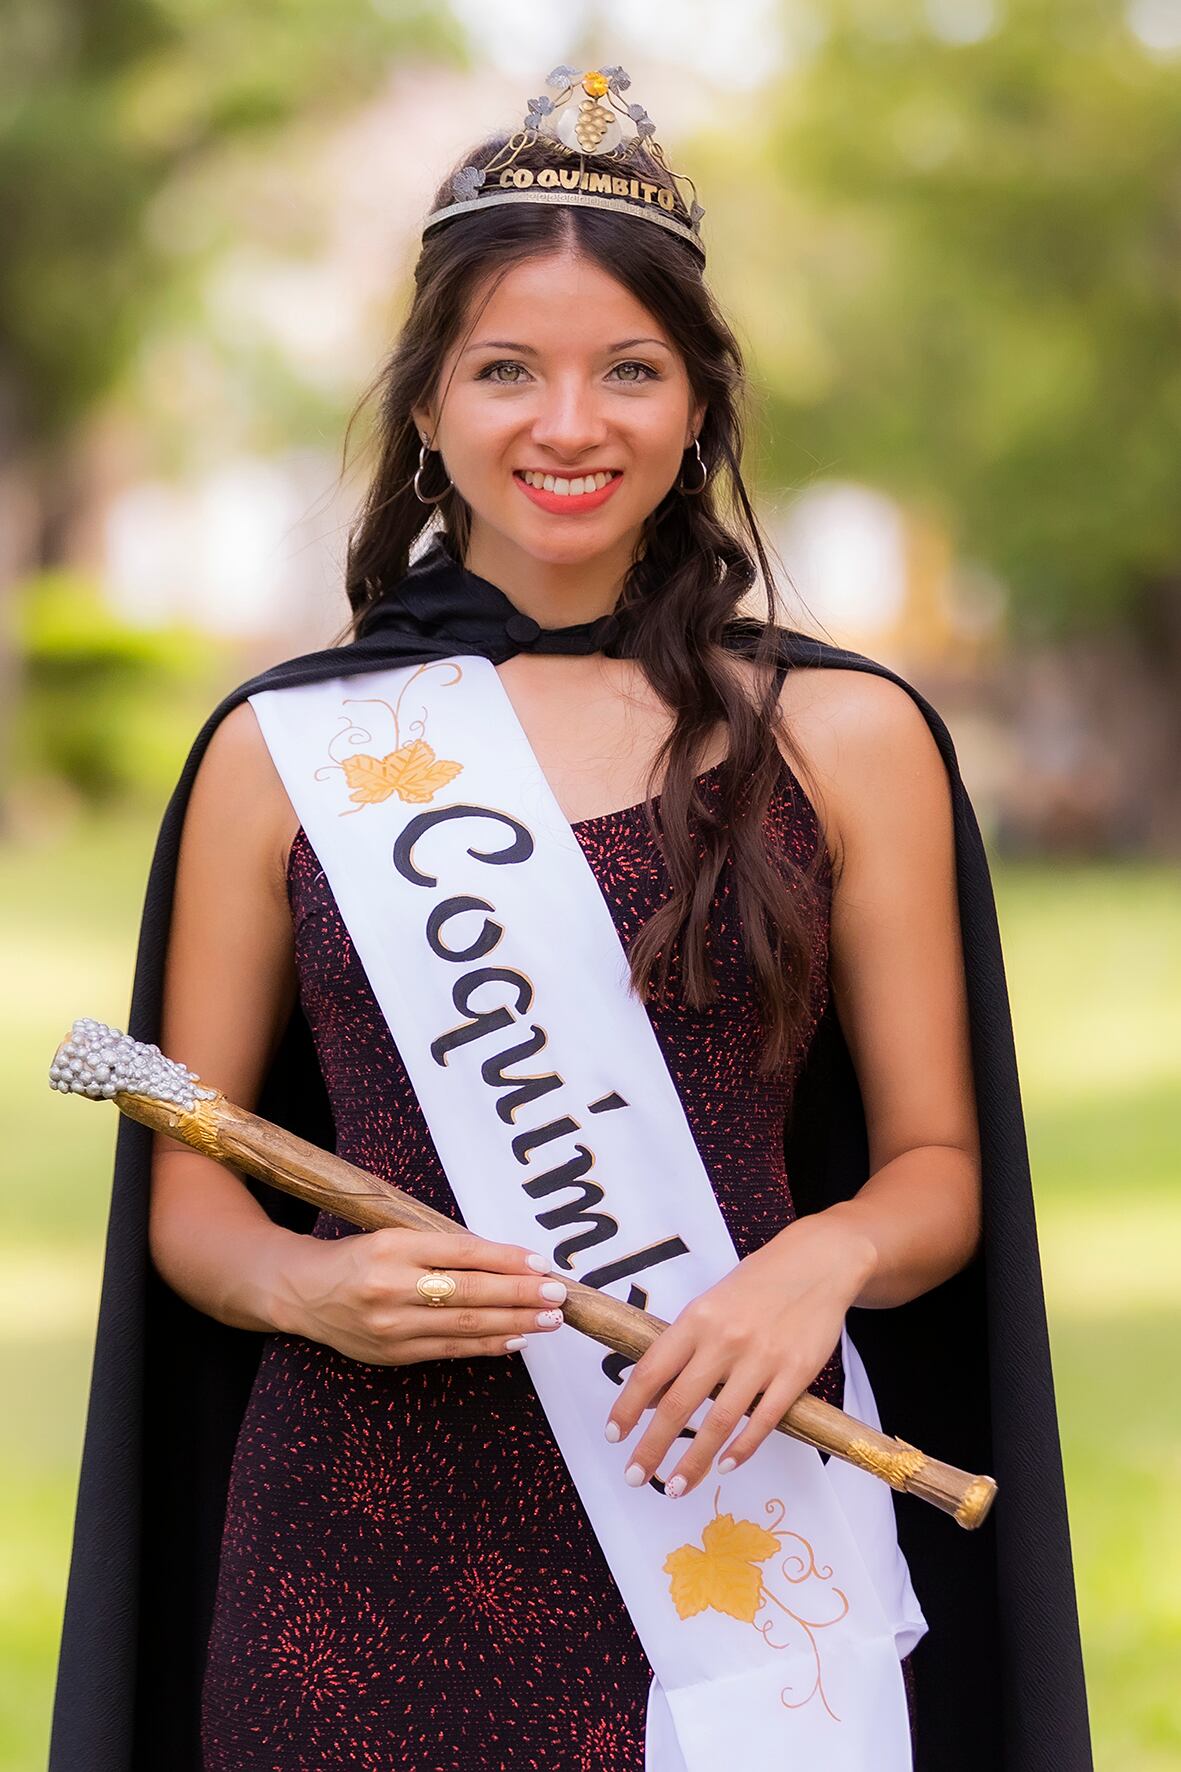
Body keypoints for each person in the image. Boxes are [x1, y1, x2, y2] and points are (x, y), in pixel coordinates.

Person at [47, 66, 1093, 1772]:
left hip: (731, 1526)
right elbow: (187, 1187)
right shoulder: (283, 750)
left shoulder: (842, 736)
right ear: (428, 407)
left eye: (629, 370)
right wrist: (310, 1292)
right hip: (351, 1563)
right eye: (505, 371)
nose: (568, 424)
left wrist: (814, 1264)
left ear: (701, 408)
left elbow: (934, 1173)